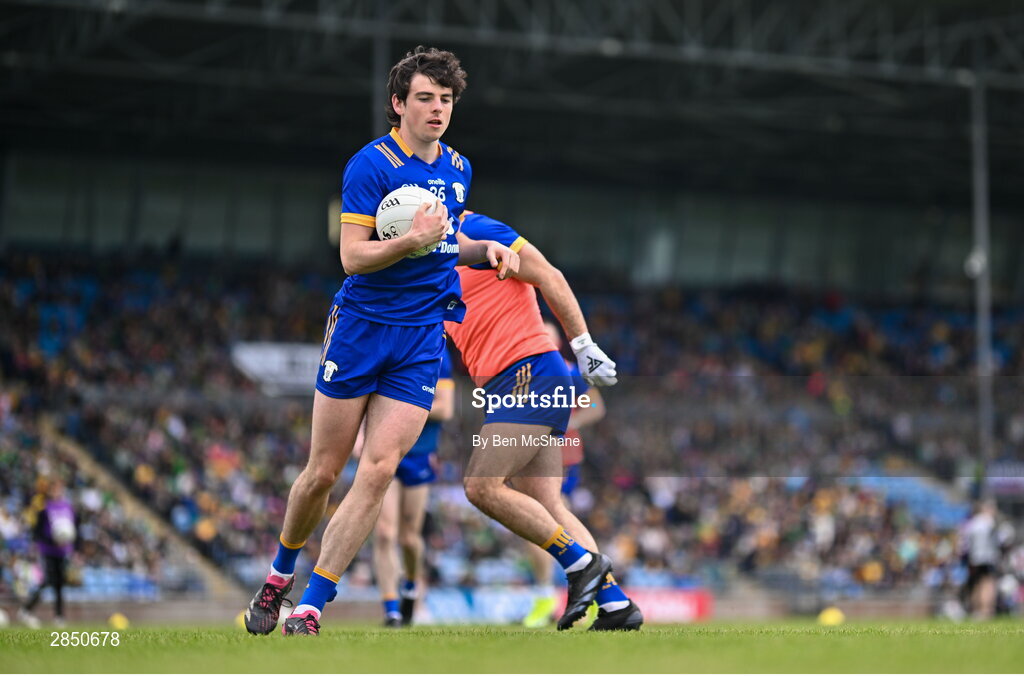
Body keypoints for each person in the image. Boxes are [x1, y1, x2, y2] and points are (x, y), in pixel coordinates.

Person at [243, 46, 519, 637]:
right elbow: (352, 257)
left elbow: (443, 245)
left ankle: (313, 605)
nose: (437, 109)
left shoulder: (459, 169)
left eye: (446, 100)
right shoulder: (370, 166)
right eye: (425, 98)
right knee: (322, 472)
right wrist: (411, 240)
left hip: (422, 338)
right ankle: (278, 576)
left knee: (379, 469)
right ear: (398, 104)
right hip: (363, 329)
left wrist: (481, 250)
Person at [445, 211, 642, 631]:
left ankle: (581, 565)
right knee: (548, 505)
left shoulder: (474, 228)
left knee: (481, 487)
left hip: (527, 372)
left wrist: (584, 345)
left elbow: (548, 275)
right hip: (507, 383)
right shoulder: (426, 259)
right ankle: (616, 606)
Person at [521, 320, 606, 628]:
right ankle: (559, 594)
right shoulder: (525, 371)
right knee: (534, 520)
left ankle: (592, 591)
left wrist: (571, 424)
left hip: (561, 452)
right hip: (529, 449)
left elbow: (596, 407)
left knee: (549, 514)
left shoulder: (570, 372)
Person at [369, 349, 455, 627]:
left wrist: (404, 406)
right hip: (384, 450)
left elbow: (446, 408)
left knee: (409, 538)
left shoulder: (440, 355)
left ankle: (411, 585)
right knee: (384, 533)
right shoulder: (389, 345)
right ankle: (391, 610)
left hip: (420, 454)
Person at [20, 479, 77, 628]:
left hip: (62, 551)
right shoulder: (45, 508)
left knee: (59, 584)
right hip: (47, 550)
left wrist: (71, 545)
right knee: (46, 581)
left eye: (60, 489)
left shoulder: (68, 507)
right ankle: (26, 610)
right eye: (55, 489)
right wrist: (51, 540)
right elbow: (37, 531)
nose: (58, 492)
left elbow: (74, 528)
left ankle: (59, 617)